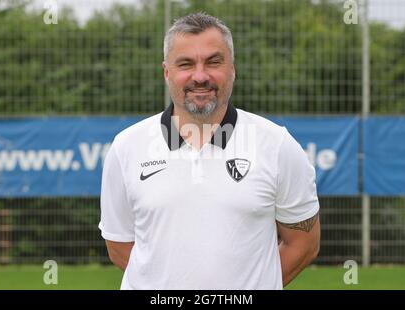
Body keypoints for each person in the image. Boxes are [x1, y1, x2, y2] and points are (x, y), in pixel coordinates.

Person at [99, 12, 320, 290]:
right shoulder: (126, 147)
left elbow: (303, 243)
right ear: (167, 72)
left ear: (232, 69)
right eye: (186, 64)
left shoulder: (277, 146)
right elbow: (119, 245)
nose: (200, 76)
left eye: (214, 62)